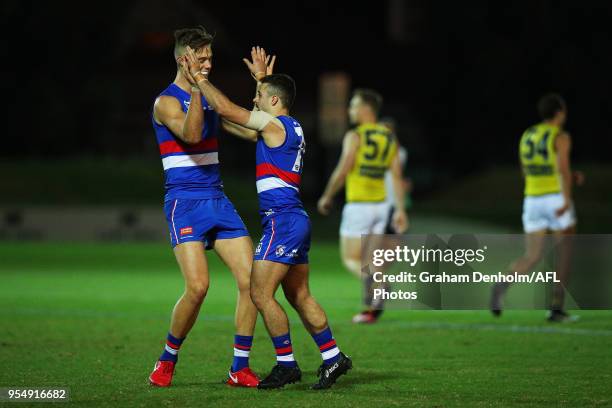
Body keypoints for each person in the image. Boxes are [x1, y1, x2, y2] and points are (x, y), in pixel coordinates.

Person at [185, 45, 352, 390]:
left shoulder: (275, 124)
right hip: (295, 220)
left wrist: (201, 80)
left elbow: (232, 110)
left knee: (259, 293)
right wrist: (260, 81)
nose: (254, 100)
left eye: (259, 95)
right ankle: (333, 357)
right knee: (299, 295)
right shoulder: (289, 127)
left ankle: (286, 364)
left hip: (282, 221)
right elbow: (243, 126)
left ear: (274, 102)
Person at [149, 26, 260, 388]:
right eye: (202, 57)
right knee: (198, 287)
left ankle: (239, 366)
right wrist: (198, 90)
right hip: (184, 202)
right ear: (184, 59)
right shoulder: (165, 102)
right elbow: (193, 134)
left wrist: (262, 87)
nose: (208, 63)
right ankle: (167, 359)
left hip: (218, 199)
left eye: (210, 57)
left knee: (253, 283)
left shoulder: (208, 95)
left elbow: (249, 130)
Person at [317, 90, 408, 324]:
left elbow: (344, 168)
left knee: (350, 259)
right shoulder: (389, 137)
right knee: (370, 262)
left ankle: (381, 285)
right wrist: (399, 209)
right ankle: (372, 307)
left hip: (359, 206)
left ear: (366, 109)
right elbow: (397, 177)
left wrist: (327, 195)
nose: (350, 110)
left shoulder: (355, 135)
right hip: (380, 207)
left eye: (353, 106)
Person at [491, 93, 578, 322]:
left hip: (532, 199)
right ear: (559, 112)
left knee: (532, 255)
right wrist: (566, 199)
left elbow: (526, 171)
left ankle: (502, 284)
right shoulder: (560, 136)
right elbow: (563, 170)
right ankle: (556, 308)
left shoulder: (528, 135)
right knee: (565, 252)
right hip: (555, 198)